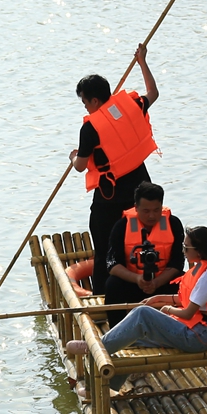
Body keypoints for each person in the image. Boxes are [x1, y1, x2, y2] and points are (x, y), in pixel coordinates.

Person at [69, 44, 160, 294]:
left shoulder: (90, 128)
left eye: (85, 103)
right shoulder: (132, 107)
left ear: (95, 100)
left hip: (110, 198)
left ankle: (102, 296)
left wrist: (73, 156)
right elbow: (153, 92)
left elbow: (79, 167)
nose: (86, 108)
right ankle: (143, 290)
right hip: (141, 192)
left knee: (105, 248)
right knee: (141, 244)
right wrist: (142, 62)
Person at [98, 226, 207, 381]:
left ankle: (96, 349)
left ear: (199, 251)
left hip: (199, 337)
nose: (183, 252)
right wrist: (157, 299)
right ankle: (112, 384)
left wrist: (167, 309)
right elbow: (184, 300)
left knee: (142, 313)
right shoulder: (205, 269)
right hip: (199, 331)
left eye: (186, 248)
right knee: (130, 337)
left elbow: (187, 312)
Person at [99, 181, 185, 326]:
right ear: (136, 207)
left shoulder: (173, 223)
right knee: (112, 284)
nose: (152, 216)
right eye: (146, 211)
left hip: (163, 282)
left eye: (156, 210)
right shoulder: (122, 226)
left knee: (184, 282)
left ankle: (181, 326)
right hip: (133, 282)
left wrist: (157, 282)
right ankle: (117, 329)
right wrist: (138, 279)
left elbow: (177, 262)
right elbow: (112, 264)